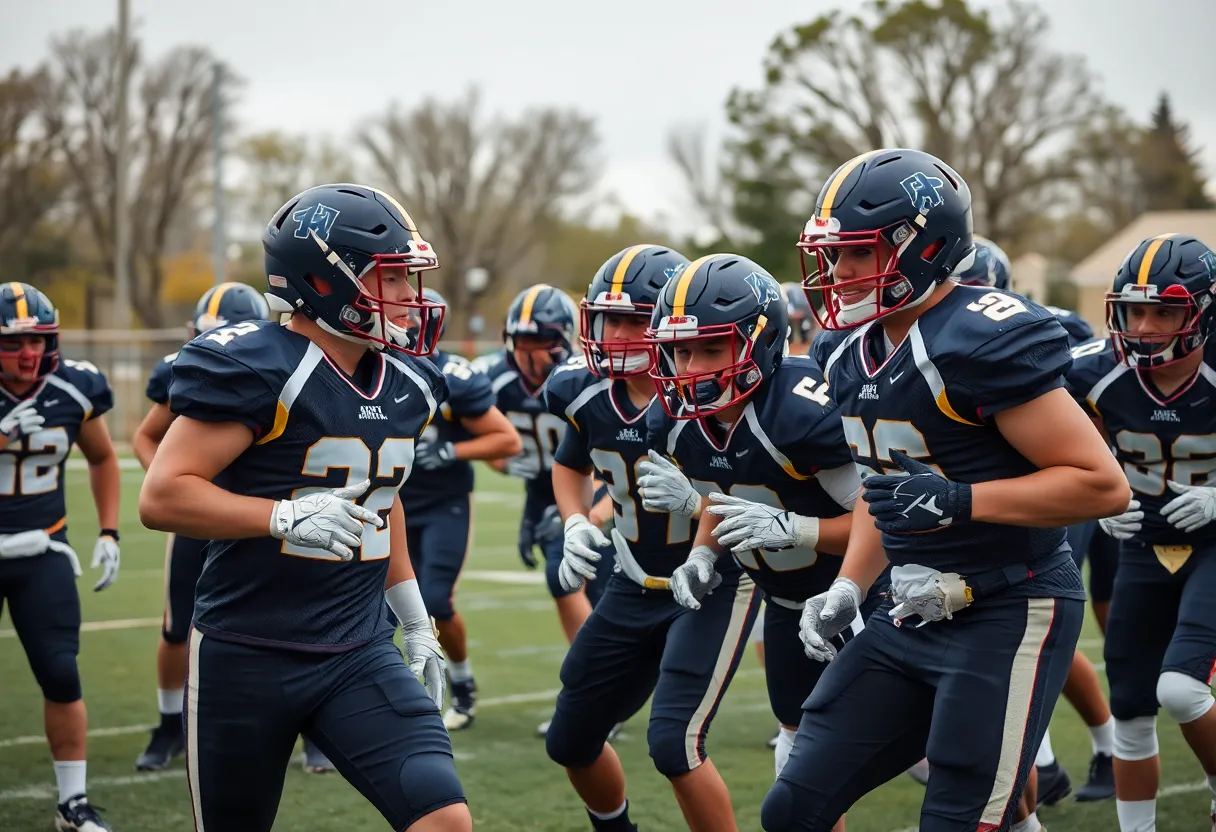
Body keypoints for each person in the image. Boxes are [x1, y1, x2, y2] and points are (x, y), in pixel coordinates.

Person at [762, 147, 1130, 832]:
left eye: (856, 254)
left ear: (919, 246)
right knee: (793, 804)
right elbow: (885, 488)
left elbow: (1101, 484)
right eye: (832, 254)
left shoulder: (977, 337)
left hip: (1010, 604)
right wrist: (848, 584)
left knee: (960, 818)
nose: (836, 274)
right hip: (910, 609)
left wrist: (964, 500)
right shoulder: (844, 349)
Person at [138, 183, 470, 832]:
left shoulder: (407, 381)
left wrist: (413, 617)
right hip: (247, 649)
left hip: (357, 647)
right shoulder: (260, 366)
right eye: (393, 277)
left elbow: (384, 495)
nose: (411, 296)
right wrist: (281, 517)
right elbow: (163, 492)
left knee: (443, 818)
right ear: (325, 282)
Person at [641, 254, 870, 831]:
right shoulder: (677, 420)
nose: (689, 367)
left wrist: (799, 529)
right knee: (799, 753)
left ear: (759, 342)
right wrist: (702, 551)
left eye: (710, 349)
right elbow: (726, 498)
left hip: (873, 600)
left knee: (944, 751)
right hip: (790, 604)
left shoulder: (797, 410)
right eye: (681, 351)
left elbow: (881, 518)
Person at [543, 245, 750, 831]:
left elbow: (761, 491)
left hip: (711, 582)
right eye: (610, 319)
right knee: (571, 738)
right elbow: (571, 463)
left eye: (637, 319)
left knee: (673, 745)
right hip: (632, 581)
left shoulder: (711, 393)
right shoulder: (583, 392)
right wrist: (576, 519)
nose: (619, 334)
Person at [954, 235, 1117, 805]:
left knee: (1032, 625)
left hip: (1046, 494)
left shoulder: (1045, 328)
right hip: (984, 496)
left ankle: (1102, 747)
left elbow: (1098, 407)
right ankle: (1046, 766)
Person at [1065, 233, 1216, 832]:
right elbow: (1050, 449)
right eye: (1135, 310)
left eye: (1166, 310)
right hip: (1141, 541)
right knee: (1129, 708)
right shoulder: (1092, 372)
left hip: (1215, 544)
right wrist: (1096, 498)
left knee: (1180, 689)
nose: (1147, 326)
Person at [132, 281, 269, 772]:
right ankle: (170, 724)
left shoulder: (280, 372)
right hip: (197, 524)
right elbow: (147, 437)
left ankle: (305, 731)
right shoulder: (184, 371)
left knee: (276, 623)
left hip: (260, 522)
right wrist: (175, 490)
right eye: (209, 335)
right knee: (176, 628)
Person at [0, 282, 121, 831]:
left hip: (42, 545)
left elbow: (101, 457)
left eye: (38, 341)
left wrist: (109, 531)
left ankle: (71, 803)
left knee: (59, 671)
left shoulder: (75, 387)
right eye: (12, 344)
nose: (28, 355)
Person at [402, 286, 522, 731]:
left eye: (413, 317)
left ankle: (463, 683)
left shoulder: (453, 374)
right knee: (381, 609)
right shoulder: (368, 367)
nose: (406, 325)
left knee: (434, 600)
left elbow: (506, 439)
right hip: (389, 503)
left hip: (443, 504)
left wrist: (452, 452)